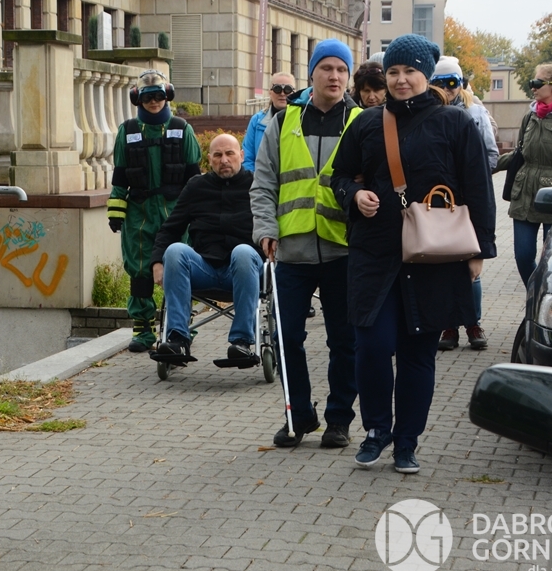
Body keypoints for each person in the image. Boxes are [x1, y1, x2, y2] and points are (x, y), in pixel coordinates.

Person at [331, 33, 496, 474]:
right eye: (393, 72)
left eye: (410, 71)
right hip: (375, 253)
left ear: (426, 74)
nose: (401, 80)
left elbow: (478, 188)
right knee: (372, 346)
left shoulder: (455, 123)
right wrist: (355, 195)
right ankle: (376, 430)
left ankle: (407, 442)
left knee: (417, 354)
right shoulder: (367, 123)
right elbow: (340, 176)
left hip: (434, 256)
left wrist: (480, 250)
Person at [251, 38, 362, 449]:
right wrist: (266, 229)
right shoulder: (284, 122)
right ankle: (298, 416)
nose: (334, 76)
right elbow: (264, 182)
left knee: (344, 341)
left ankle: (339, 420)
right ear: (312, 73)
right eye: (326, 68)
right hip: (291, 251)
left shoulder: (361, 122)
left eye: (342, 70)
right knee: (286, 339)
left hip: (343, 250)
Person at [149, 134, 264, 366]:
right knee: (175, 250)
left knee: (242, 252)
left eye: (230, 153)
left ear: (241, 155)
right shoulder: (196, 187)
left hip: (245, 270)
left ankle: (241, 342)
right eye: (218, 155)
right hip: (205, 267)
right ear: (209, 159)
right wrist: (157, 262)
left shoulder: (257, 185)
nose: (224, 160)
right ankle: (178, 339)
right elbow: (170, 229)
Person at [107, 70, 202, 353]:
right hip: (139, 213)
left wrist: (199, 213)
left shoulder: (182, 129)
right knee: (139, 270)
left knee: (179, 267)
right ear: (138, 99)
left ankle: (181, 324)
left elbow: (194, 177)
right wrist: (116, 211)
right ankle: (143, 328)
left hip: (176, 211)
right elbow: (120, 177)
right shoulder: (127, 131)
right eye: (147, 97)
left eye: (159, 96)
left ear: (167, 95)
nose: (153, 102)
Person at [429, 56, 499, 352]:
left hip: (467, 203)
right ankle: (448, 324)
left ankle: (473, 322)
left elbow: (491, 155)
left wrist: (472, 178)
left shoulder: (475, 112)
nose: (448, 89)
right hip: (438, 203)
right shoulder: (428, 114)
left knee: (470, 266)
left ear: (461, 83)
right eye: (440, 83)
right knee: (443, 264)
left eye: (453, 82)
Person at [495, 63, 552, 287]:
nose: (532, 88)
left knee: (551, 260)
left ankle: (544, 297)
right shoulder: (531, 116)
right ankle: (535, 294)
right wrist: (485, 165)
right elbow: (519, 155)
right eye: (532, 83)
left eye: (537, 83)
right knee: (523, 256)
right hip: (524, 195)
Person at [243, 73, 296, 172]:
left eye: (288, 89)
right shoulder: (257, 121)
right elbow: (248, 156)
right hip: (262, 179)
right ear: (270, 92)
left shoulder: (302, 118)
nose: (282, 93)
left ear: (294, 93)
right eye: (277, 89)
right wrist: (255, 178)